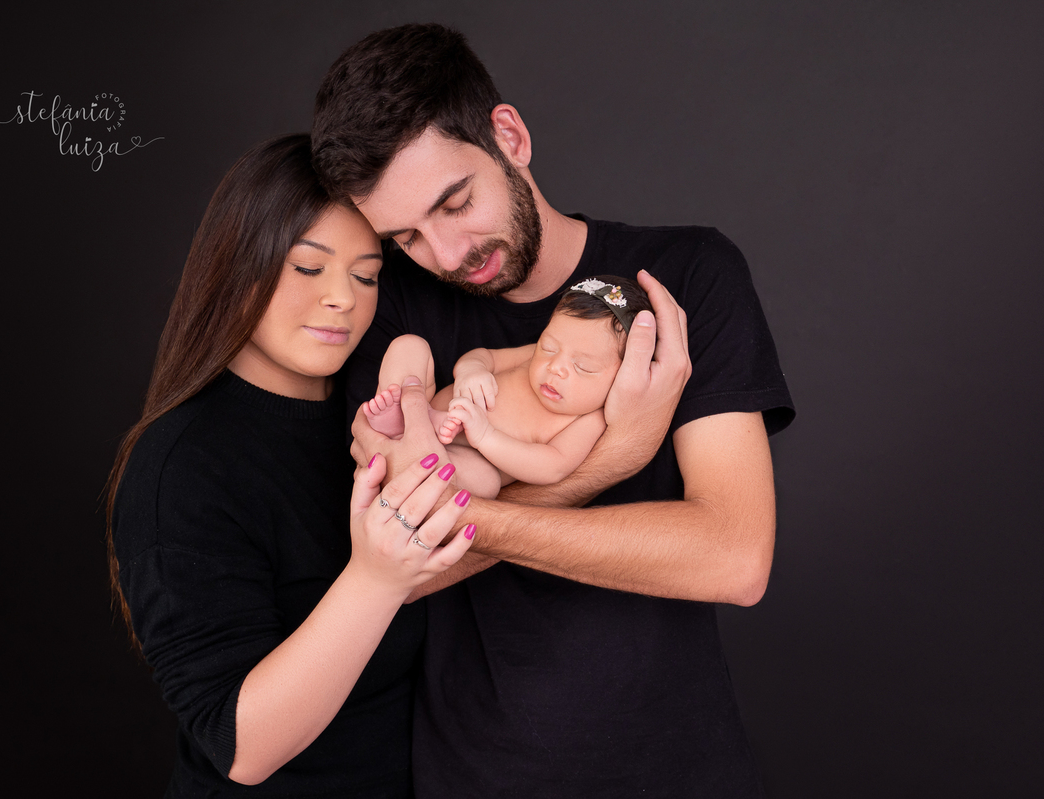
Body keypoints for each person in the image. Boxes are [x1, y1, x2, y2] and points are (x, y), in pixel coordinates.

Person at [313, 23, 795, 798]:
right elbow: (393, 573)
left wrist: (470, 517)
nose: (446, 253)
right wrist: (611, 459)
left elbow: (734, 558)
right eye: (406, 236)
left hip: (684, 774)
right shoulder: (395, 309)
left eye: (456, 203)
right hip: (476, 778)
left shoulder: (684, 278)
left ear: (509, 136)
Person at [104, 133, 475, 797]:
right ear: (239, 263)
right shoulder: (181, 467)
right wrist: (376, 577)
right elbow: (242, 747)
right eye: (308, 268)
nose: (343, 298)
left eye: (366, 275)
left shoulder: (374, 418)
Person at [363, 276, 652, 497]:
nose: (555, 366)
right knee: (409, 345)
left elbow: (553, 466)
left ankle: (413, 447)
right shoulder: (533, 356)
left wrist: (485, 436)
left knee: (486, 483)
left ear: (621, 378)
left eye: (583, 367)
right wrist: (471, 370)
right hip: (428, 405)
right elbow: (485, 356)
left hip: (467, 456)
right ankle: (401, 416)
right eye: (549, 347)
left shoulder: (590, 419)